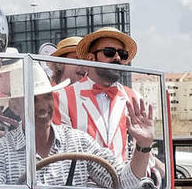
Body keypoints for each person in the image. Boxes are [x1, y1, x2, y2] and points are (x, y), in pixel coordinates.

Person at [0, 78, 157, 188]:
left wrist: (143, 145)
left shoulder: (78, 141)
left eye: (48, 97)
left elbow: (124, 184)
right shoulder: (0, 151)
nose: (43, 106)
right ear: (14, 107)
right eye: (33, 100)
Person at [55, 29, 139, 159]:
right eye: (109, 52)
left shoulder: (133, 97)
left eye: (122, 54)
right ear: (90, 58)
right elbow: (60, 151)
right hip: (80, 178)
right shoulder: (62, 97)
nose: (117, 58)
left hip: (123, 178)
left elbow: (140, 147)